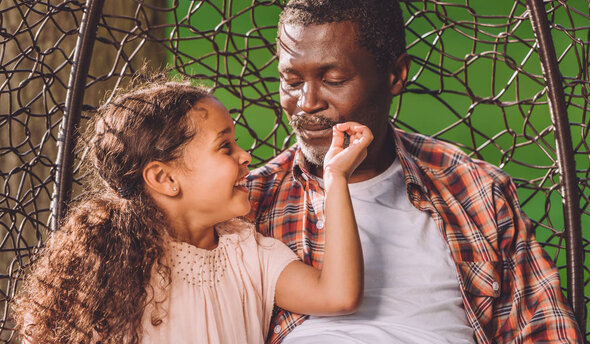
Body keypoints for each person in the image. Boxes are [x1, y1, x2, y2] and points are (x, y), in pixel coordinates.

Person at [247, 0, 583, 343]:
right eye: (291, 81)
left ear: (395, 75)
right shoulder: (249, 203)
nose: (307, 103)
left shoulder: (473, 189)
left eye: (334, 79)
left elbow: (546, 329)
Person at [13, 80, 373, 343]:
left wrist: (336, 176)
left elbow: (338, 296)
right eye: (225, 146)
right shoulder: (113, 267)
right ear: (164, 177)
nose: (246, 155)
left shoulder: (249, 253)